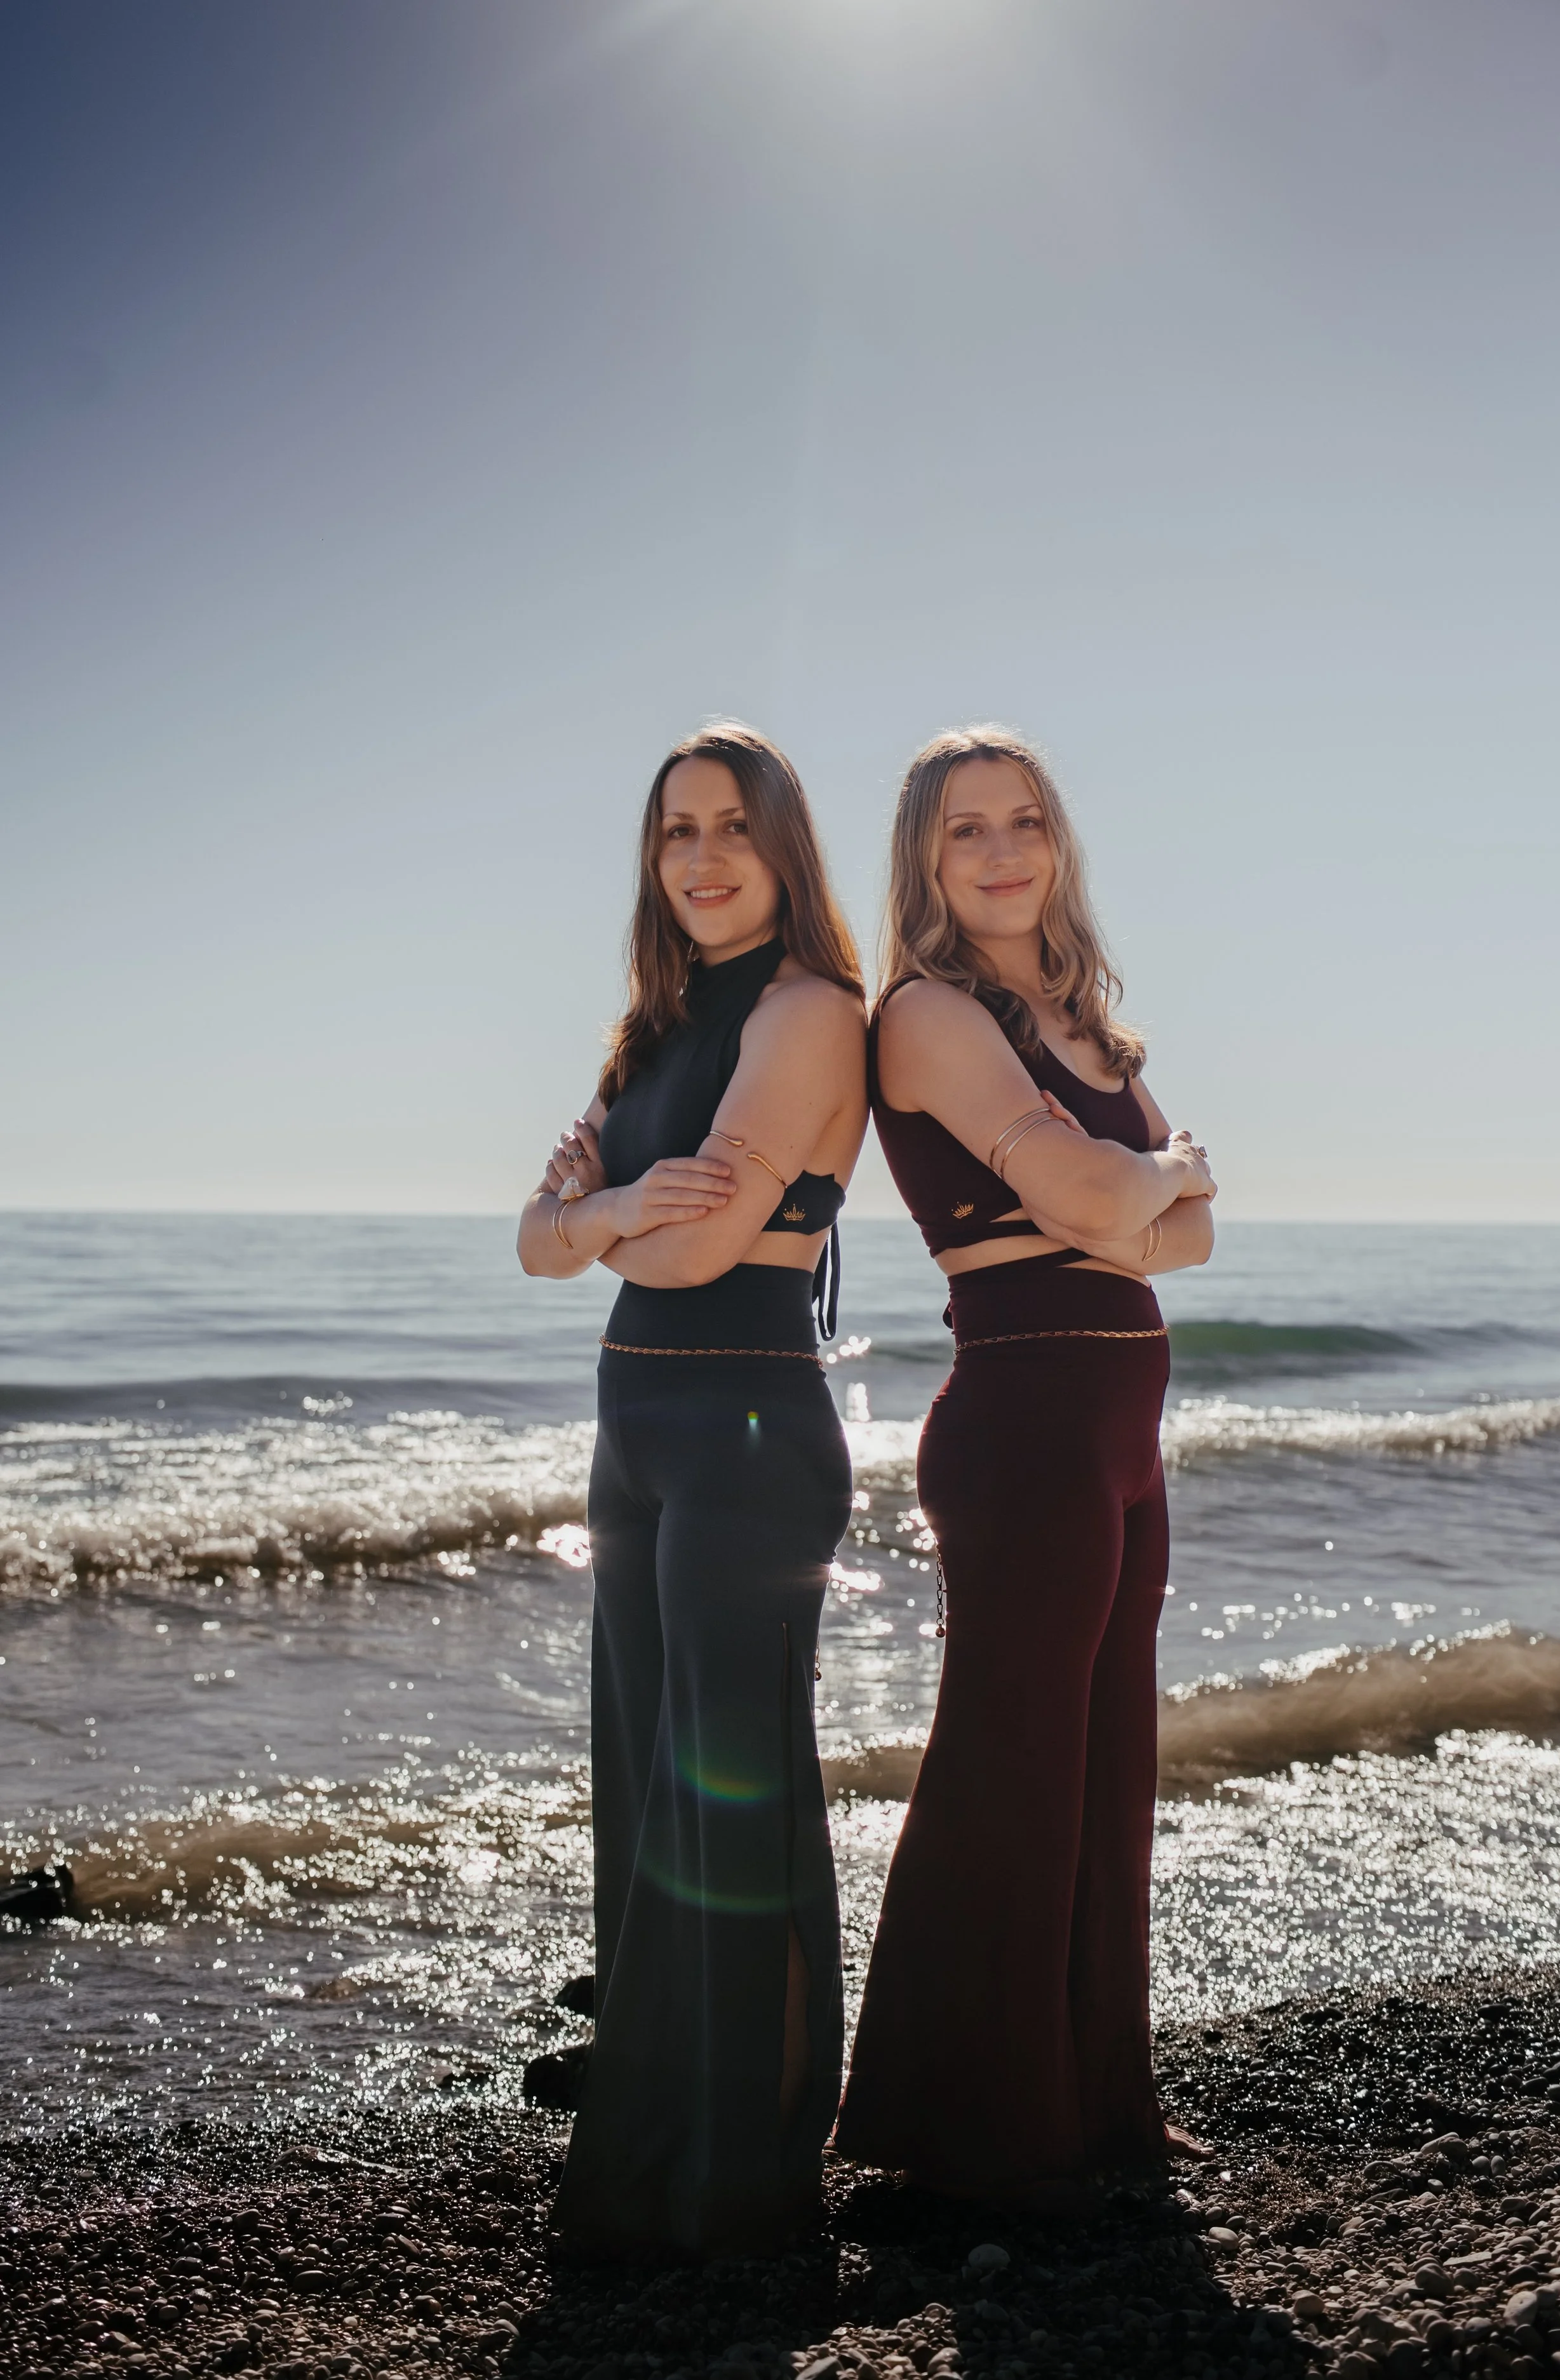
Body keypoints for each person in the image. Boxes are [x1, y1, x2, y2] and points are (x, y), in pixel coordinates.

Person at [833, 725, 1216, 2203]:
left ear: (1056, 842)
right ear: (923, 862)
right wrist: (1154, 1178)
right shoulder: (927, 1013)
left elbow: (1174, 1239)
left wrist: (1137, 1198)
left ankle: (1100, 2101)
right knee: (1014, 1767)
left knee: (1109, 1758)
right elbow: (1104, 1193)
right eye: (963, 830)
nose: (1000, 851)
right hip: (1024, 1420)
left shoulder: (1084, 1025)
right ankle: (972, 2125)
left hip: (1123, 1422)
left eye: (1024, 821)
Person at [517, 722, 867, 2256]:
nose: (702, 855)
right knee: (649, 1792)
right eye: (675, 830)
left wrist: (593, 1221)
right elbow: (537, 1242)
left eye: (732, 826)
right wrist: (602, 1214)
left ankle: (747, 2166)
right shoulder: (645, 1035)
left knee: (733, 1802)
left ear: (782, 848)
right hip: (629, 1429)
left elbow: (697, 1248)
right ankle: (653, 2131)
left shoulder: (807, 1013)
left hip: (744, 1428)